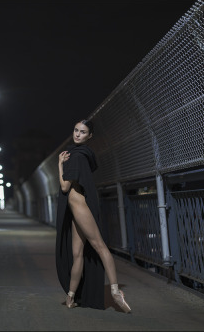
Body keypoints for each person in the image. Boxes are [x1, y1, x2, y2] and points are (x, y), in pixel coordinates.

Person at [55, 119, 131, 313]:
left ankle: (116, 292)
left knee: (100, 247)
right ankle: (71, 297)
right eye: (76, 130)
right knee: (77, 254)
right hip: (78, 208)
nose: (77, 134)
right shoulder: (85, 155)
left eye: (83, 132)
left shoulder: (75, 156)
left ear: (89, 136)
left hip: (79, 208)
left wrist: (59, 164)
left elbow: (65, 187)